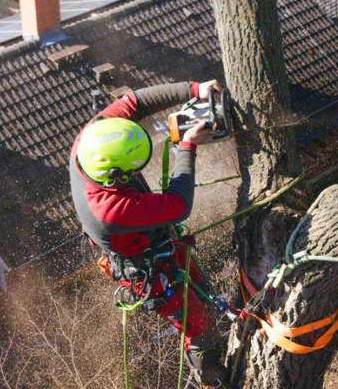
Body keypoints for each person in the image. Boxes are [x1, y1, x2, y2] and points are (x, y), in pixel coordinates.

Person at [69, 80, 228, 388]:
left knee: (205, 293)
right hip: (150, 271)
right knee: (199, 325)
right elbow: (178, 204)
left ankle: (211, 348)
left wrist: (194, 89)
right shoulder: (109, 210)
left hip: (162, 242)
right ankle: (209, 378)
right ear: (117, 176)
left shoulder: (92, 139)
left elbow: (135, 101)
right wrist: (187, 146)